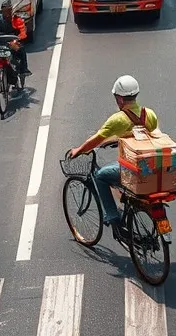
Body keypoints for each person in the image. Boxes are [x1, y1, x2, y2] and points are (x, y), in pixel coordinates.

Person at [66, 76, 157, 239]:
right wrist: (119, 139)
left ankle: (112, 216)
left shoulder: (117, 119)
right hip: (150, 167)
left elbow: (96, 139)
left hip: (132, 168)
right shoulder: (149, 114)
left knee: (101, 176)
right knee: (116, 173)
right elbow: (143, 134)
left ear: (120, 98)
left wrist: (78, 150)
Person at [0, 0, 30, 77]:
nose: (7, 14)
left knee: (21, 50)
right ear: (2, 11)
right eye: (5, 11)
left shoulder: (17, 20)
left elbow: (22, 32)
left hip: (14, 42)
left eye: (9, 11)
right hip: (2, 43)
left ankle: (24, 70)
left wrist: (16, 40)